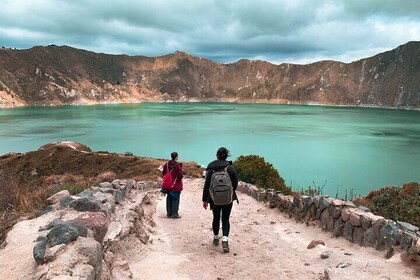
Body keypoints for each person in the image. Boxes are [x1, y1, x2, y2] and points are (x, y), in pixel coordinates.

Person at [202, 147, 238, 252]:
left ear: (217, 155)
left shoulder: (211, 168)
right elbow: (235, 184)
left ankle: (216, 238)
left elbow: (207, 185)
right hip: (228, 198)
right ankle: (225, 240)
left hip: (214, 198)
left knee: (216, 217)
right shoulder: (230, 168)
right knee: (226, 219)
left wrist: (205, 200)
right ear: (226, 156)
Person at [162, 152, 183, 219]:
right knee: (175, 199)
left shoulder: (167, 164)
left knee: (169, 198)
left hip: (168, 185)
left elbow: (163, 173)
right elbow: (180, 176)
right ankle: (174, 214)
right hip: (176, 185)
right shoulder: (178, 165)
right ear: (176, 157)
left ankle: (169, 213)